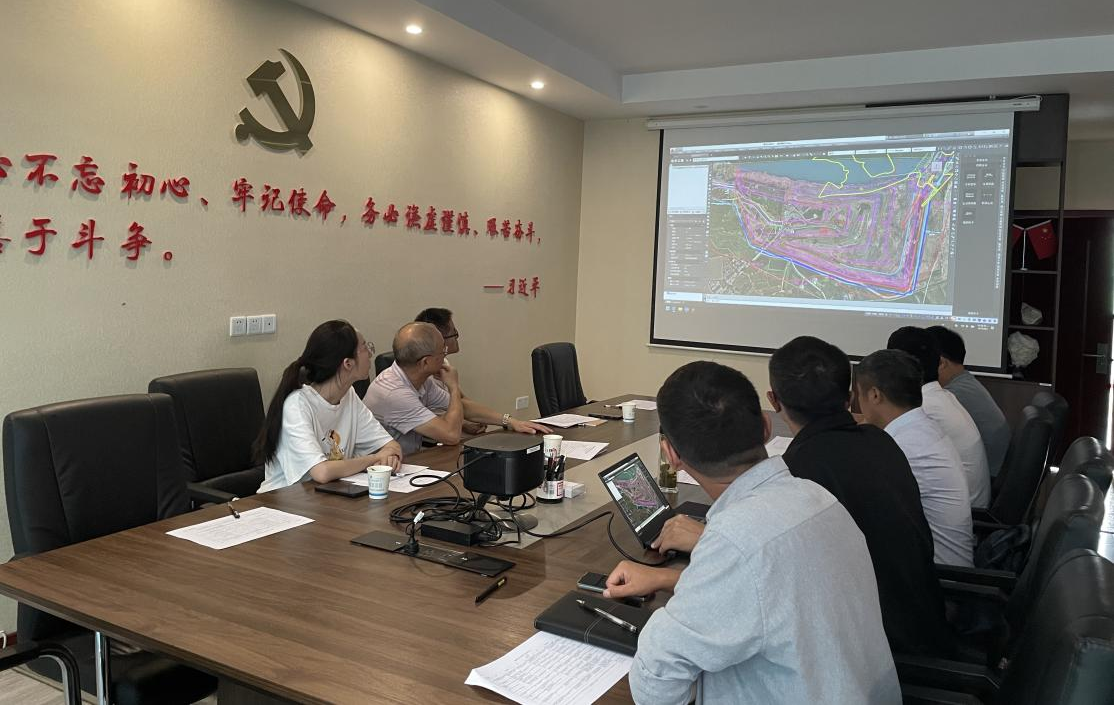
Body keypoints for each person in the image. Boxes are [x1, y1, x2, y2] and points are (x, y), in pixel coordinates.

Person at [604, 361, 899, 705]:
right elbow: (770, 591)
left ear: (670, 454)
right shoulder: (818, 497)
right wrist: (671, 580)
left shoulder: (736, 541)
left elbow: (655, 682)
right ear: (765, 427)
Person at [856, 349, 975, 567]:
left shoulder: (904, 445)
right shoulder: (921, 428)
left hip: (941, 576)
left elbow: (861, 508)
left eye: (858, 394)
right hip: (939, 564)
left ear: (874, 395)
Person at [255, 320, 402, 493]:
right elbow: (322, 472)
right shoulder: (297, 405)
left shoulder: (349, 396)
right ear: (348, 363)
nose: (370, 354)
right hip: (283, 500)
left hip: (327, 495)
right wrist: (374, 459)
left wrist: (389, 456)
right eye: (365, 348)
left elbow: (391, 446)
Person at [364, 322, 549, 454]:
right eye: (442, 352)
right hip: (376, 475)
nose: (445, 356)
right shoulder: (393, 393)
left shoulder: (420, 378)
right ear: (425, 362)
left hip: (408, 463)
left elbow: (462, 406)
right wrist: (453, 387)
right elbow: (451, 435)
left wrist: (510, 421)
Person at [888, 326, 991, 507]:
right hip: (967, 504)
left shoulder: (924, 405)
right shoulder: (940, 396)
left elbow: (882, 443)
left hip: (966, 511)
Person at [926, 325, 1011, 477]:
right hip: (992, 474)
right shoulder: (966, 383)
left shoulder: (952, 395)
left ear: (941, 363)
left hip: (988, 477)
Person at [414, 307, 486, 435]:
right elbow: (427, 416)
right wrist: (464, 423)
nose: (457, 337)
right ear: (440, 339)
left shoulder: (443, 363)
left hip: (451, 424)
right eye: (454, 333)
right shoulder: (424, 373)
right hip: (434, 434)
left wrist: (506, 420)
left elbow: (461, 399)